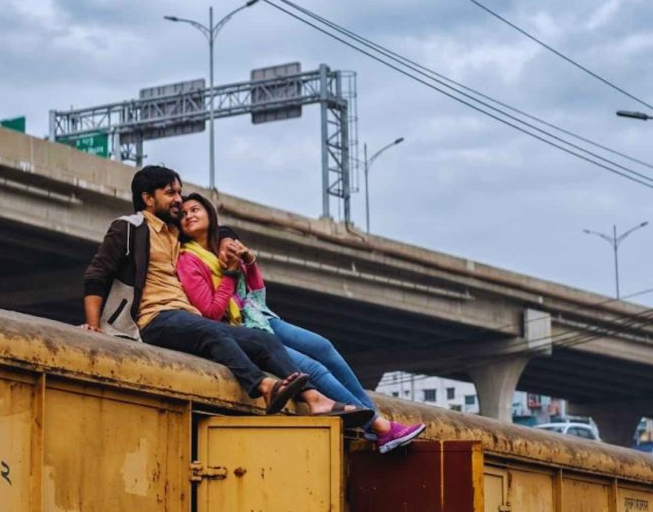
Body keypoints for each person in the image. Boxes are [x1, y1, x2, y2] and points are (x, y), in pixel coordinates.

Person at [82, 165, 373, 423]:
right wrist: (94, 324)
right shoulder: (129, 228)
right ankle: (264, 387)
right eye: (170, 193)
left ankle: (315, 400)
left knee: (264, 340)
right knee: (214, 333)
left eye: (180, 193)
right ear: (148, 198)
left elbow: (216, 228)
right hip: (153, 319)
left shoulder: (175, 233)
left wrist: (228, 241)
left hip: (187, 319)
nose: (179, 200)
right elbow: (98, 274)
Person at [176, 192, 426, 453]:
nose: (189, 215)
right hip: (242, 329)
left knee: (323, 346)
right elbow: (211, 313)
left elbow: (255, 291)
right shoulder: (189, 259)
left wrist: (248, 262)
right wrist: (228, 274)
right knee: (312, 368)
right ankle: (381, 427)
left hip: (259, 316)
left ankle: (375, 422)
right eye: (183, 215)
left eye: (195, 209)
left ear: (208, 213)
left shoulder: (221, 244)